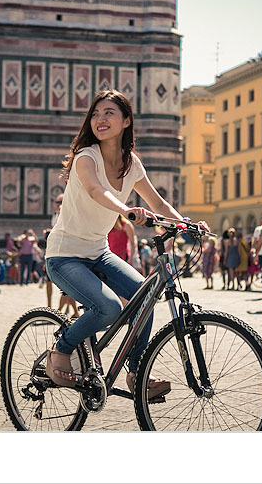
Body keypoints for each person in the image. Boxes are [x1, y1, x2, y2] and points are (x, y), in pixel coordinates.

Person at [43, 90, 209, 399]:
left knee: (145, 298)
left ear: (126, 121)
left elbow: (157, 202)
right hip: (65, 255)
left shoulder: (131, 164)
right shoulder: (86, 157)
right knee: (107, 308)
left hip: (98, 252)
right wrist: (126, 211)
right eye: (95, 114)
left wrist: (187, 224)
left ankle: (137, 373)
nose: (100, 119)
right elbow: (95, 190)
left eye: (109, 113)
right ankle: (61, 349)